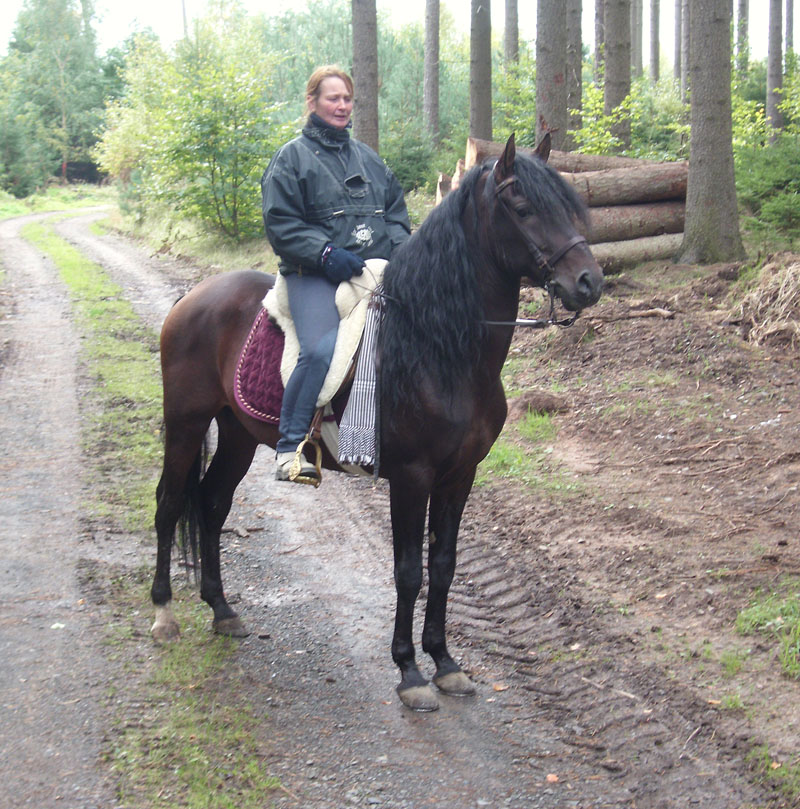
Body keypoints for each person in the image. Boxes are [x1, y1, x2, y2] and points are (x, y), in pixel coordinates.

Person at [261, 65, 411, 483]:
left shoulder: (369, 159)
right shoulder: (291, 158)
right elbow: (281, 224)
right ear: (312, 102)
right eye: (333, 98)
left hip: (371, 273)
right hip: (312, 275)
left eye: (347, 99)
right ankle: (290, 448)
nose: (342, 106)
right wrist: (325, 254)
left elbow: (396, 216)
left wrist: (401, 255)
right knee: (320, 350)